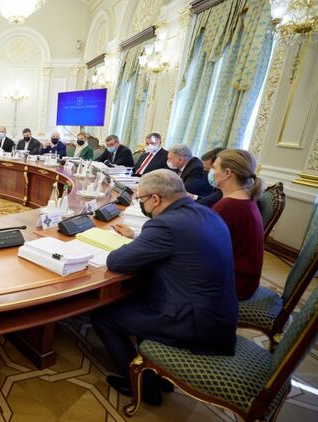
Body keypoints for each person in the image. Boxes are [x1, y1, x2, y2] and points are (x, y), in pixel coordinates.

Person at [94, 169, 237, 406]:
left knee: (104, 317)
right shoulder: (206, 212)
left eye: (141, 199)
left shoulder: (166, 224)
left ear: (155, 199)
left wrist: (130, 244)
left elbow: (116, 262)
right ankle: (156, 372)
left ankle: (141, 386)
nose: (141, 204)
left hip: (193, 322)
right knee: (136, 297)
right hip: (219, 314)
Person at [210, 149, 264, 300]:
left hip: (234, 283)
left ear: (227, 173)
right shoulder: (245, 198)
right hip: (243, 279)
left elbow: (205, 246)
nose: (211, 172)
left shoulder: (230, 205)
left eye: (214, 168)